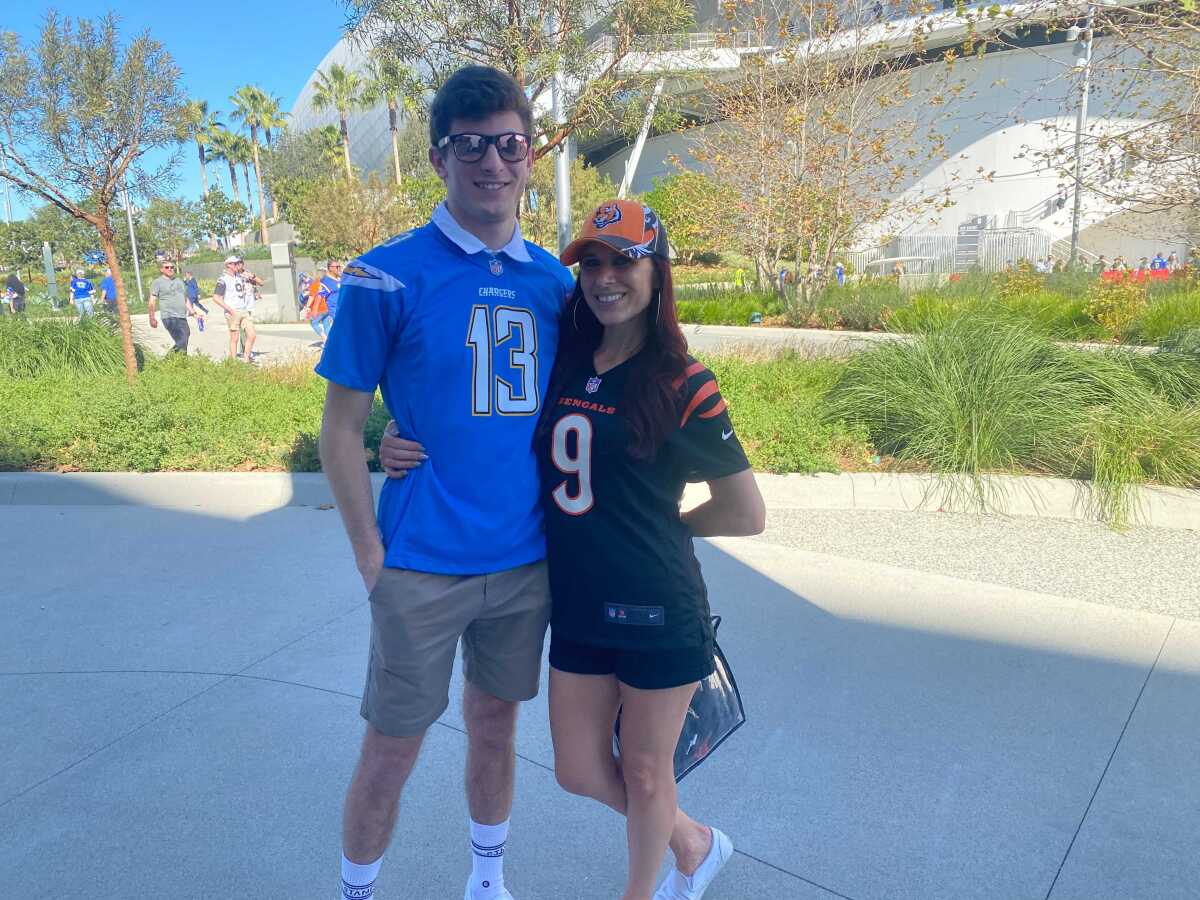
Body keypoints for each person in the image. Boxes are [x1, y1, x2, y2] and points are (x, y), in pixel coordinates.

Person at [315, 65, 574, 900]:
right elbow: (342, 427)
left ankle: (487, 878)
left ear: (530, 155)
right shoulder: (383, 275)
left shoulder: (554, 282)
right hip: (422, 561)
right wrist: (368, 555)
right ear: (438, 157)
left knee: (496, 725)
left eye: (509, 145)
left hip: (525, 558)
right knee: (392, 745)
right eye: (471, 146)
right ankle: (357, 889)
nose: (492, 163)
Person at [538, 200, 764, 899]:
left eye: (625, 260)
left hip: (656, 608)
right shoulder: (567, 362)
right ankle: (693, 839)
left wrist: (666, 529)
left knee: (644, 770)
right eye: (594, 263)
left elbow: (745, 512)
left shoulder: (684, 381)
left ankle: (646, 890)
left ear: (657, 271)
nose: (606, 278)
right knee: (577, 768)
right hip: (576, 605)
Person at [210, 255, 256, 363]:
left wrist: (251, 276)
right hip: (233, 311)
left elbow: (258, 282)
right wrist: (230, 310)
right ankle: (233, 362)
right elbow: (216, 298)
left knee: (252, 335)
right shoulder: (223, 279)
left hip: (244, 310)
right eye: (235, 264)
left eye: (239, 263)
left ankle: (246, 358)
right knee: (234, 337)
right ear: (229, 265)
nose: (238, 265)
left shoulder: (240, 277)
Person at [148, 259, 193, 354]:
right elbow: (152, 301)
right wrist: (151, 318)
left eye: (172, 267)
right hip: (169, 316)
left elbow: (185, 298)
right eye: (167, 267)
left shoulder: (179, 281)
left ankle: (179, 362)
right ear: (161, 269)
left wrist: (193, 312)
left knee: (185, 337)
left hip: (181, 316)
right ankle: (169, 361)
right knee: (182, 339)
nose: (170, 269)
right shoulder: (157, 282)